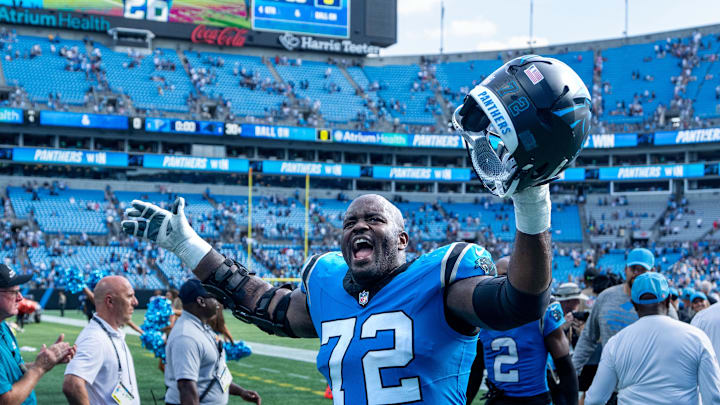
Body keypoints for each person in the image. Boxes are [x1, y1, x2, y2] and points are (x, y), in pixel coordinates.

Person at [123, 55, 591, 405]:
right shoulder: (328, 283)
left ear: (403, 240)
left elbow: (520, 302)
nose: (359, 226)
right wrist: (187, 244)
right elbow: (260, 303)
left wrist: (531, 201)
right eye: (349, 222)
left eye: (373, 219)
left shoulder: (442, 282)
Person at [585, 272, 720, 405]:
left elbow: (595, 399)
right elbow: (713, 398)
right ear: (668, 301)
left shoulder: (616, 343)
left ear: (634, 304)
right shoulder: (696, 337)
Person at [164, 279, 260, 405]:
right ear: (201, 301)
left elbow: (212, 374)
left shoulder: (202, 328)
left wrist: (240, 392)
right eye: (214, 297)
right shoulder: (186, 336)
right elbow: (186, 387)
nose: (218, 303)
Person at [467, 299, 578, 405]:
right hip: (506, 399)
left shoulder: (482, 304)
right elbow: (476, 367)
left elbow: (564, 367)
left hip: (532, 399)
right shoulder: (483, 304)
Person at [0, 263, 76, 405]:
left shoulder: (3, 326)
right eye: (14, 292)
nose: (20, 298)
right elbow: (5, 401)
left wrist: (47, 360)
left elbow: (15, 370)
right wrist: (39, 368)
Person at [63, 276, 140, 405]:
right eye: (129, 296)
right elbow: (71, 384)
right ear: (110, 301)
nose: (135, 302)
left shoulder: (111, 332)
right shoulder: (94, 338)